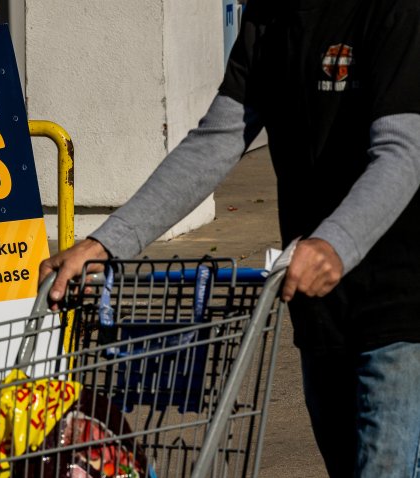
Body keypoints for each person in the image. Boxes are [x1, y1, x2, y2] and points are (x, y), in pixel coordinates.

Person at [39, 0, 420, 475]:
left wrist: (335, 244)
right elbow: (217, 140)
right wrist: (107, 242)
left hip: (399, 304)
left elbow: (404, 153)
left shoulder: (393, 12)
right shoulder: (269, 16)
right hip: (316, 302)